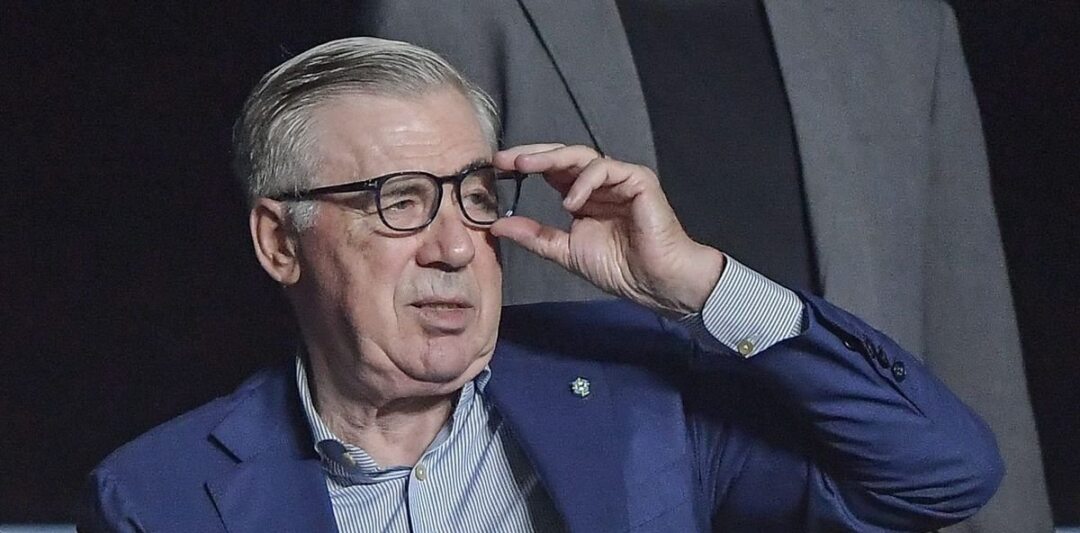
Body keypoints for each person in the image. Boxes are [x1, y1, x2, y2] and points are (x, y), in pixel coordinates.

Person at [81, 37, 1002, 532]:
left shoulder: (637, 402)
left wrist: (702, 284)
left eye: (475, 195)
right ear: (281, 242)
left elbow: (939, 475)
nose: (455, 245)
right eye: (400, 200)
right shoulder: (156, 499)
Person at [354, 2, 1051, 530]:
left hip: (872, 493)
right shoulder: (447, 12)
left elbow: (969, 328)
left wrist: (713, 287)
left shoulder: (901, 20)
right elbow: (380, 294)